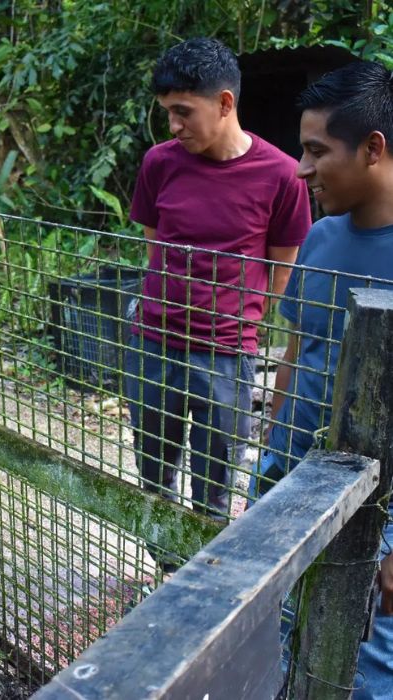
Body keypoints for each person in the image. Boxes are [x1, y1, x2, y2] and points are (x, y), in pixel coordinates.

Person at [246, 60, 393, 698]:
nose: (299, 169)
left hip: (377, 510)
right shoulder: (320, 238)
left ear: (373, 148)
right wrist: (265, 468)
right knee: (274, 643)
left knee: (362, 670)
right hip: (292, 479)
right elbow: (295, 351)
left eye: (314, 151)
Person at [125, 37, 311, 531]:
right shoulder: (159, 163)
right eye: (167, 112)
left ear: (225, 103)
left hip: (225, 352)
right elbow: (154, 249)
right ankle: (167, 572)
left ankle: (206, 582)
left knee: (215, 485)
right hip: (153, 342)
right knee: (153, 477)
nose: (174, 125)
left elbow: (282, 272)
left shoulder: (282, 175)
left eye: (184, 111)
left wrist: (242, 327)